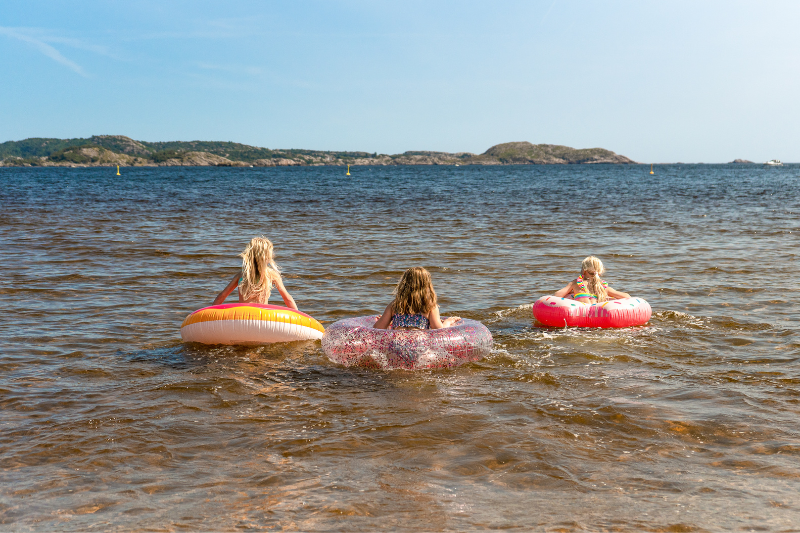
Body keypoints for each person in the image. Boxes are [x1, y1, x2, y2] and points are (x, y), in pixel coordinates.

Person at [213, 237, 298, 310]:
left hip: (243, 317)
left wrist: (210, 314)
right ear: (266, 257)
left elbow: (222, 296)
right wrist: (299, 317)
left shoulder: (242, 275)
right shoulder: (272, 275)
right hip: (261, 318)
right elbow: (287, 299)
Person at [373, 267, 461, 330]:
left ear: (404, 285)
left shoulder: (394, 305)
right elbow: (439, 331)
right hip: (419, 349)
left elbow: (378, 328)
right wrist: (448, 322)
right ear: (427, 286)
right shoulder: (430, 306)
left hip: (396, 349)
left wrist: (389, 321)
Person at [554, 256, 630, 303]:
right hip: (597, 320)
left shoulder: (576, 283)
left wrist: (570, 293)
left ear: (584, 270)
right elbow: (627, 296)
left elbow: (557, 295)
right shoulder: (603, 288)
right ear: (600, 272)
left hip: (581, 319)